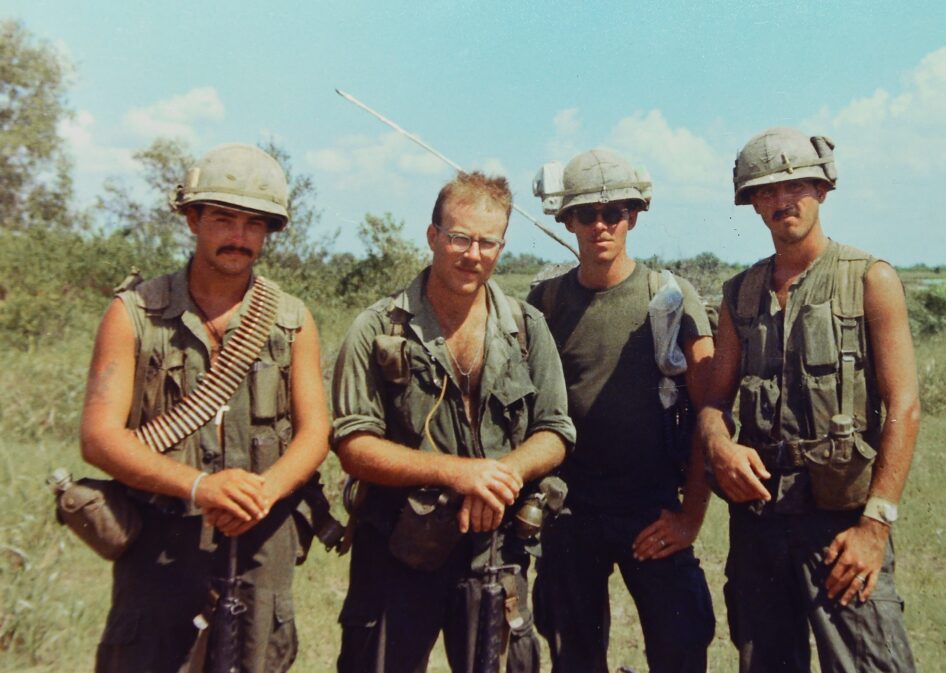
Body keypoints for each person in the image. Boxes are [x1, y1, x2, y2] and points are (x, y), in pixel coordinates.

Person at [79, 144, 330, 672]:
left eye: (254, 223)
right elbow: (99, 439)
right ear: (192, 219)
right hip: (159, 545)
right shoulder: (135, 315)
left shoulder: (291, 320)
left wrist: (266, 490)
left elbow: (315, 435)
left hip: (261, 538)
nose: (239, 237)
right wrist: (198, 486)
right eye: (223, 218)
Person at [331, 171, 575, 673]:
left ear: (502, 246)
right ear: (433, 237)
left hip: (494, 549)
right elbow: (354, 443)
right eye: (460, 238)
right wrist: (461, 474)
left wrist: (499, 477)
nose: (473, 254)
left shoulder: (527, 329)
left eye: (488, 242)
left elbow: (555, 430)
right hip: (398, 547)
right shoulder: (377, 329)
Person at [698, 127, 919, 672]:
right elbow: (712, 403)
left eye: (794, 185)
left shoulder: (869, 278)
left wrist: (874, 527)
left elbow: (905, 406)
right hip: (758, 519)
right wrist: (719, 447)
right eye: (766, 192)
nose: (781, 201)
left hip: (840, 523)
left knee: (870, 663)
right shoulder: (739, 294)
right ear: (751, 203)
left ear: (821, 190)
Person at [528, 149, 716, 673]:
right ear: (567, 219)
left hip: (650, 508)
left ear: (634, 215)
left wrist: (690, 518)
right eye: (586, 214)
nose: (601, 225)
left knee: (681, 644)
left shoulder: (671, 298)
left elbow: (709, 413)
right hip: (571, 509)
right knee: (572, 653)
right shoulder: (543, 303)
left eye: (614, 212)